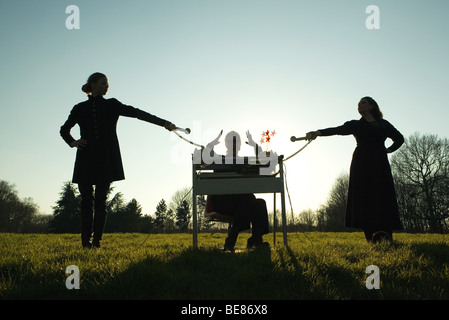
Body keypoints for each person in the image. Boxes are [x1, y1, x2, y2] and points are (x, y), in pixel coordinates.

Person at [60, 72, 176, 248]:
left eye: (107, 84)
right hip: (86, 158)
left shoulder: (112, 105)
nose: (106, 86)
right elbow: (64, 129)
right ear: (92, 84)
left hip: (106, 159)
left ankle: (96, 243)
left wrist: (163, 123)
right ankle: (85, 243)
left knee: (100, 202)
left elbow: (137, 113)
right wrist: (73, 142)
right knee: (86, 202)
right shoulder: (79, 108)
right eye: (102, 83)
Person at [306, 97, 404, 243]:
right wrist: (318, 132)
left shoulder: (384, 124)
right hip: (362, 163)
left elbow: (399, 138)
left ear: (372, 106)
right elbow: (337, 130)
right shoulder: (356, 125)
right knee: (365, 197)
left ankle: (386, 235)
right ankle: (371, 237)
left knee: (383, 196)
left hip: (380, 163)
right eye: (358, 104)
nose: (359, 105)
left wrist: (388, 150)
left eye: (363, 102)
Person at [204, 130, 270, 251]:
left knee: (260, 203)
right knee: (249, 198)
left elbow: (264, 163)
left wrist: (255, 145)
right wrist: (212, 144)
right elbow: (204, 156)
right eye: (230, 141)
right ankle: (232, 241)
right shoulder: (219, 159)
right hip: (222, 203)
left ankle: (255, 239)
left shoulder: (245, 162)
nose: (233, 144)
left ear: (239, 145)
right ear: (225, 144)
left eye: (236, 142)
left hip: (242, 204)